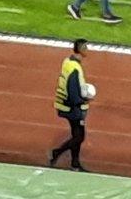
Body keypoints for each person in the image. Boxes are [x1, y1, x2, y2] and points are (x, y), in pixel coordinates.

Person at [48, 39, 93, 172]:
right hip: (72, 107)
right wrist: (83, 100)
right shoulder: (75, 69)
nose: (88, 50)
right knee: (79, 137)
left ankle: (75, 163)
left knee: (76, 135)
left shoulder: (68, 62)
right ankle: (57, 152)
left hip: (65, 105)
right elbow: (73, 91)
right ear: (81, 49)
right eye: (86, 47)